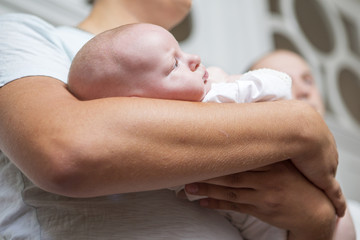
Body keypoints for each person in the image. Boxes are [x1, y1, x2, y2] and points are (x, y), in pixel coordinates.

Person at [0, 0, 343, 239]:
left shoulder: (204, 79)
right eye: (173, 62)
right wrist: (299, 124)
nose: (190, 62)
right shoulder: (25, 35)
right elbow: (66, 151)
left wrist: (315, 221)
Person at [67, 22, 294, 240]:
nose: (194, 59)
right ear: (140, 105)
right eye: (174, 64)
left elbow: (287, 103)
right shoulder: (214, 101)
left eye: (181, 51)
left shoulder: (213, 102)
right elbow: (281, 85)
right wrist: (229, 83)